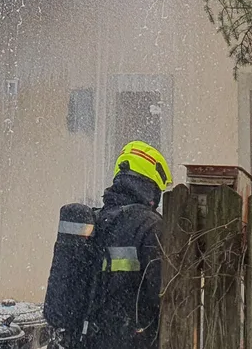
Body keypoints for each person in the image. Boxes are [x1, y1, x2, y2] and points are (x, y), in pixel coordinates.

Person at [81, 140, 169, 349]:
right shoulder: (150, 226)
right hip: (131, 341)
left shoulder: (95, 220)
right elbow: (162, 294)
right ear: (150, 184)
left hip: (89, 338)